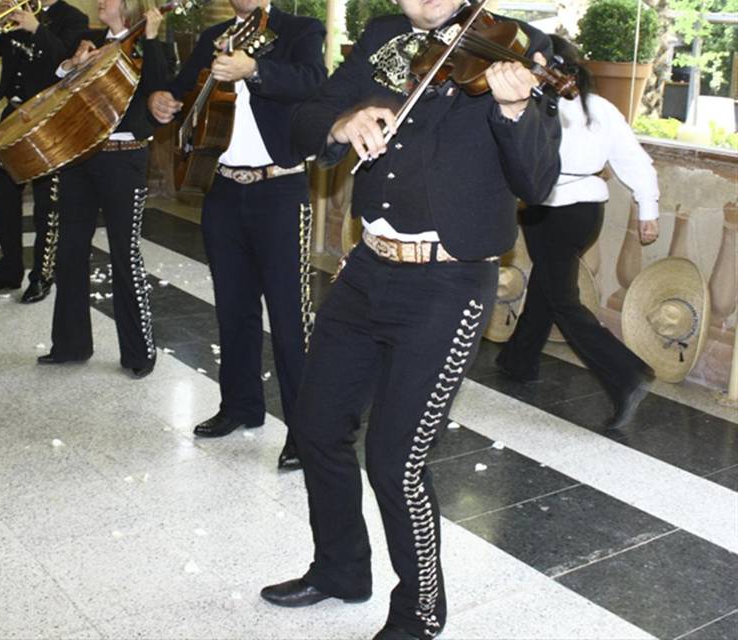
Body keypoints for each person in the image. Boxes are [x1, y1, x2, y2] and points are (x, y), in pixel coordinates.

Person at [259, 1, 562, 638]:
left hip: (448, 283)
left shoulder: (516, 46)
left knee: (396, 460)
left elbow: (537, 182)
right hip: (369, 267)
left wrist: (513, 110)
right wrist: (344, 123)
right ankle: (341, 569)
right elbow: (307, 116)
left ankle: (420, 611)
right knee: (315, 426)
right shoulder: (383, 37)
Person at [148, 0, 326, 470]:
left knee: (290, 319)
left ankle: (305, 433)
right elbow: (182, 87)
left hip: (280, 188)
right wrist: (162, 99)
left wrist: (255, 69)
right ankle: (241, 405)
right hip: (224, 188)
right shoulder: (214, 37)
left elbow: (313, 82)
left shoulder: (300, 29)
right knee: (233, 309)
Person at [496, 34, 659, 431]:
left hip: (549, 211)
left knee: (562, 298)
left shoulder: (533, 103)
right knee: (550, 284)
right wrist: (648, 209)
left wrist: (649, 208)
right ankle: (519, 360)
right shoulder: (599, 106)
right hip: (586, 212)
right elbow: (634, 161)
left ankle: (627, 374)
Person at [38, 0, 164, 379]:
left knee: (124, 253)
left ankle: (140, 352)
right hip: (81, 158)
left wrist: (153, 38)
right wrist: (72, 64)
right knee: (70, 250)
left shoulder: (147, 43)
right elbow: (56, 76)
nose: (100, 2)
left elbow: (157, 88)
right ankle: (71, 345)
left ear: (127, 6)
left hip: (124, 159)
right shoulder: (87, 39)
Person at [0, 0, 88, 303]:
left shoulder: (74, 18)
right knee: (4, 198)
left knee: (46, 203)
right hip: (12, 115)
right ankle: (9, 270)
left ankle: (42, 276)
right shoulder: (17, 14)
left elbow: (65, 64)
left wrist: (36, 28)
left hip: (47, 120)